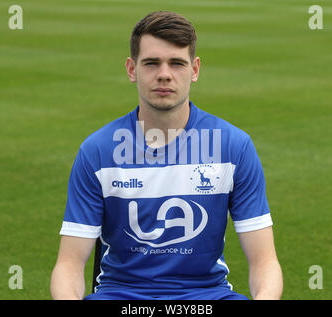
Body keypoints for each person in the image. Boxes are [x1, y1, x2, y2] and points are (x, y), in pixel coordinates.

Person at [50, 11, 283, 300]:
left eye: (177, 63)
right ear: (131, 69)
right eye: (151, 63)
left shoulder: (233, 147)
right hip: (122, 297)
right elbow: (69, 265)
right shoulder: (98, 151)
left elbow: (264, 262)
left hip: (207, 296)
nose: (164, 74)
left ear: (195, 69)